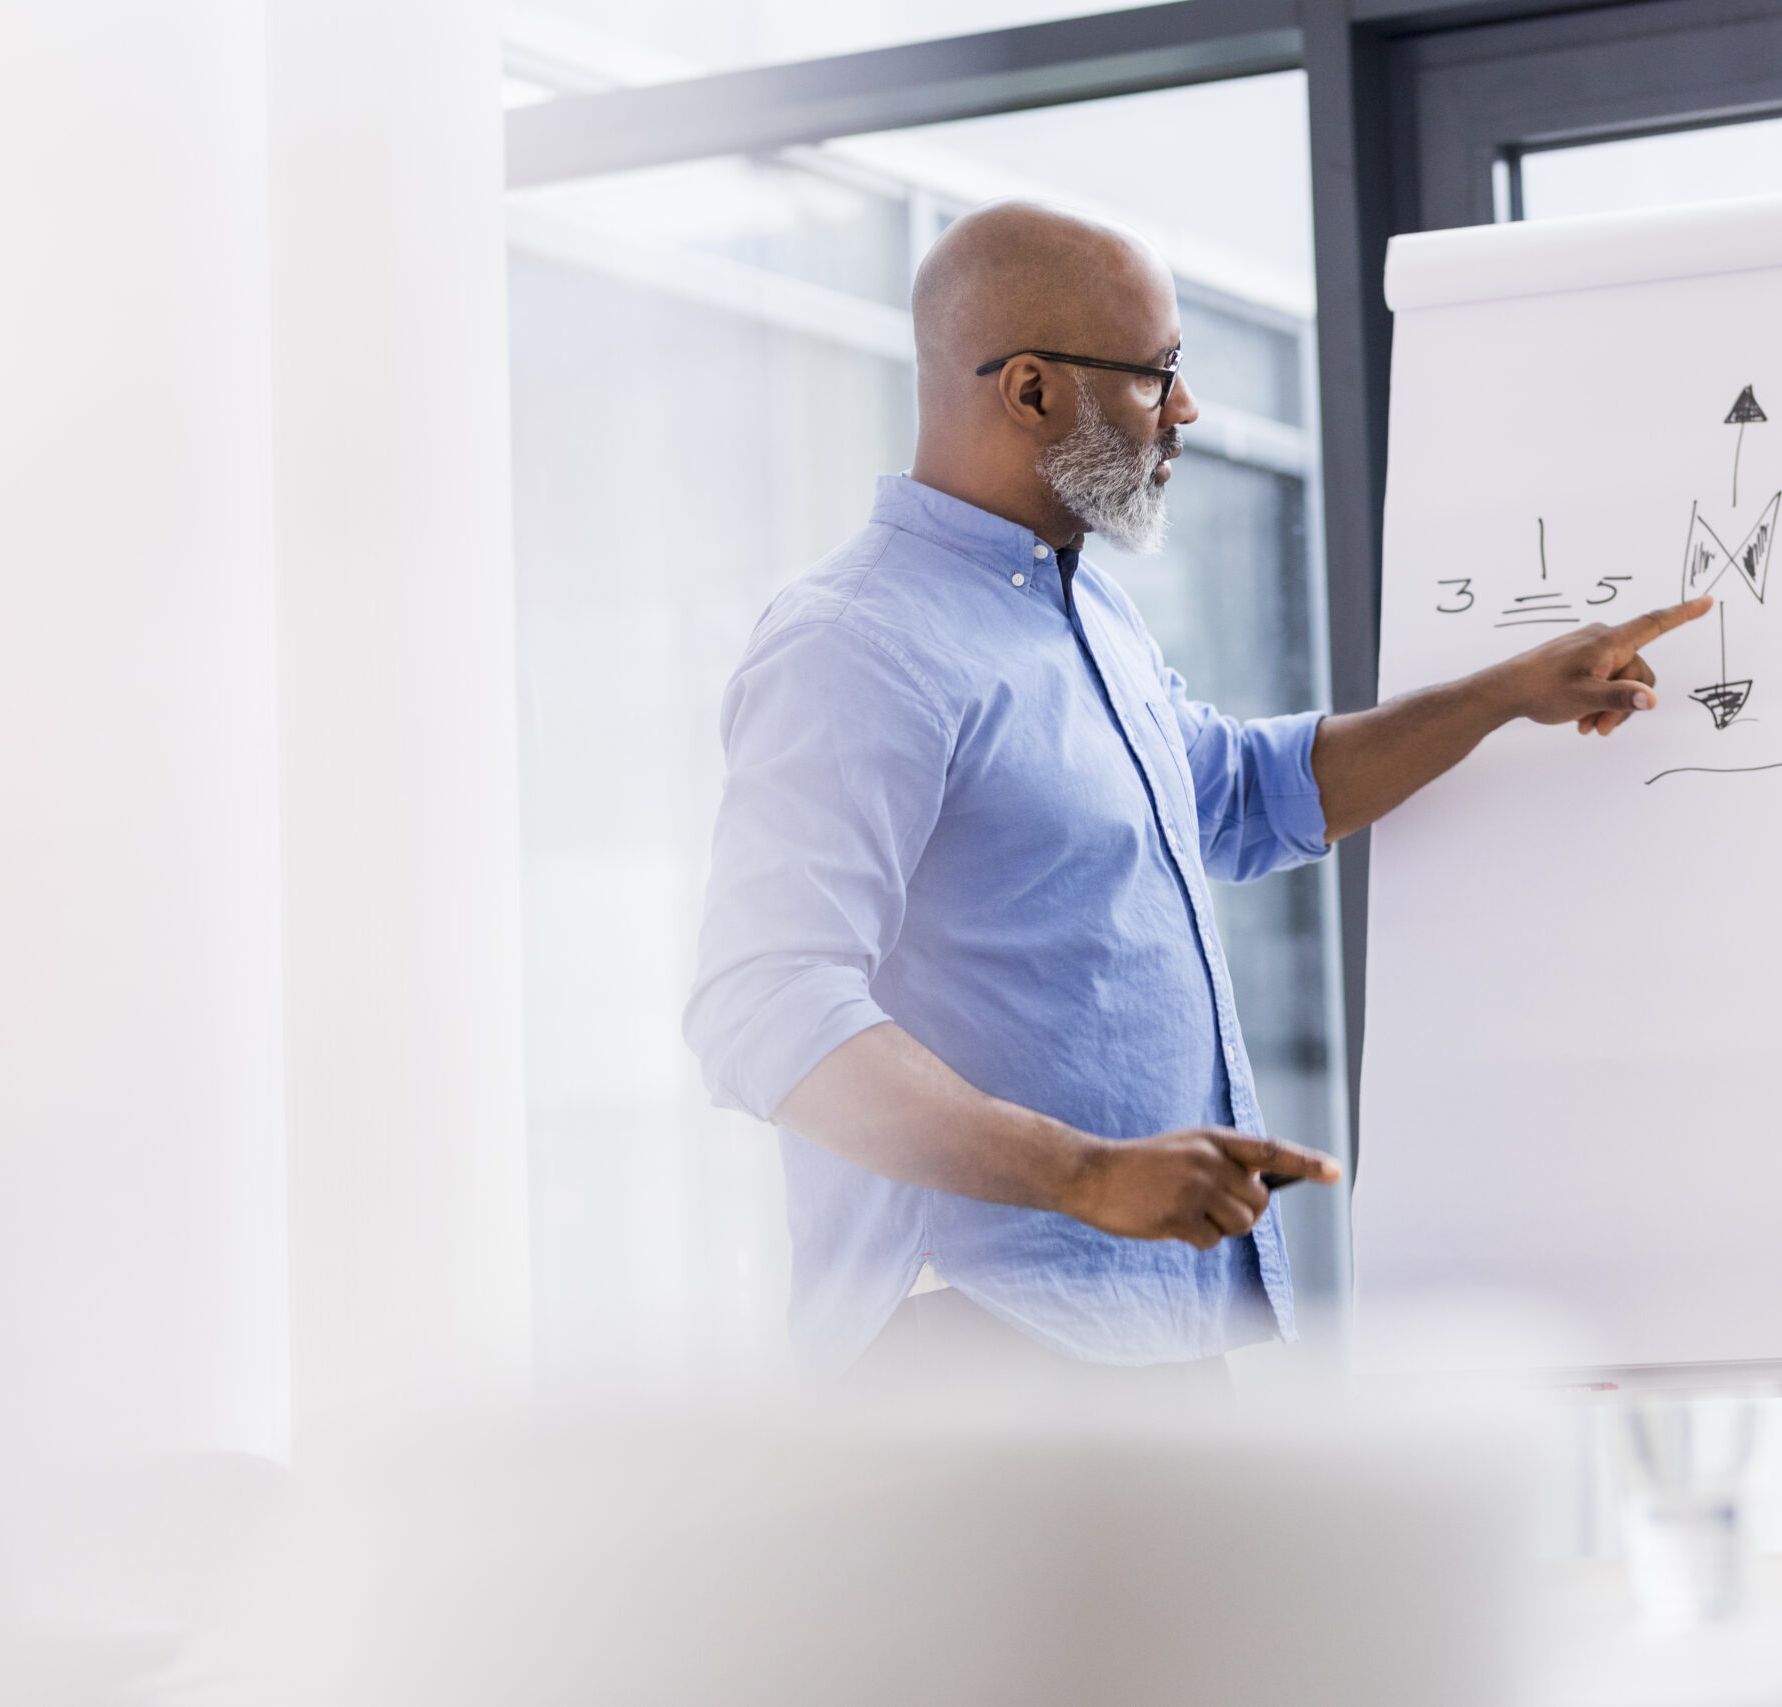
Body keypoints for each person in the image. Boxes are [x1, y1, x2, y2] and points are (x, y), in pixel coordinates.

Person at [683, 199, 1708, 1388]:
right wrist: (1086, 1174)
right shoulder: (854, 646)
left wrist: (1502, 694)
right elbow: (760, 1002)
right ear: (1029, 392)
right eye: (1157, 376)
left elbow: (1236, 794)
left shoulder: (1082, 610)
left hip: (1151, 1324)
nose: (1186, 411)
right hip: (973, 1353)